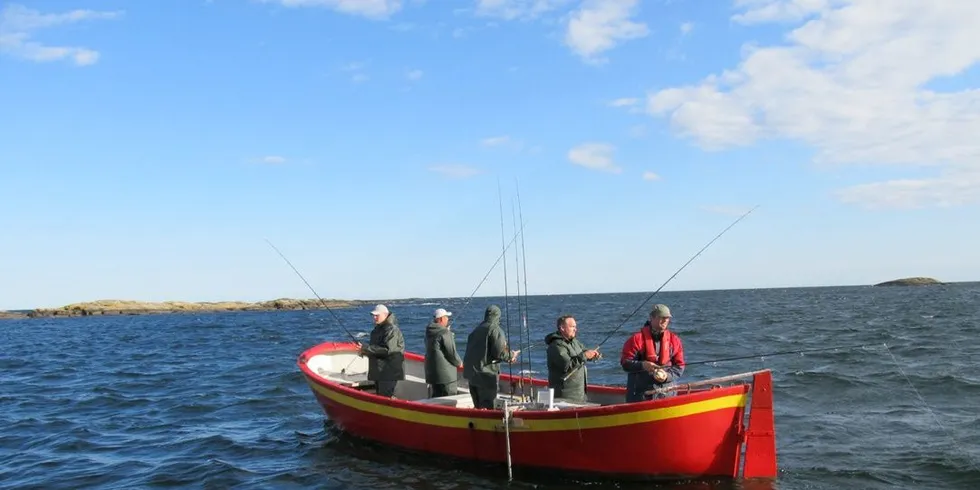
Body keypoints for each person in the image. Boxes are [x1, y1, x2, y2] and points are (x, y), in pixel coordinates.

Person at [620, 304, 685, 403]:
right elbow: (625, 364)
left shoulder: (674, 340)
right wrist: (642, 365)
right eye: (661, 317)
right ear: (651, 318)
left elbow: (679, 366)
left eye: (667, 318)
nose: (665, 321)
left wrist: (667, 376)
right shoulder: (636, 339)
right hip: (641, 396)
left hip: (668, 394)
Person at [462, 304, 520, 409]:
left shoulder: (476, 330)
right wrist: (511, 355)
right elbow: (500, 353)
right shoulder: (495, 330)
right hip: (486, 376)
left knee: (478, 407)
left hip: (472, 375)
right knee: (487, 407)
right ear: (498, 316)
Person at [545, 315, 601, 403]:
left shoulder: (574, 342)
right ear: (562, 328)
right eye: (572, 327)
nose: (575, 329)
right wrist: (585, 356)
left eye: (575, 326)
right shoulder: (556, 346)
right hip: (565, 397)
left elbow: (583, 352)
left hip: (580, 395)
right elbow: (566, 365)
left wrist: (593, 355)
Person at [357, 304, 405, 398]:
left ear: (385, 315)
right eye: (373, 315)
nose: (374, 317)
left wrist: (366, 348)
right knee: (381, 397)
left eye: (377, 315)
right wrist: (364, 351)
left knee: (385, 398)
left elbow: (388, 350)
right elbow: (376, 349)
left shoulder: (391, 330)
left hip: (388, 372)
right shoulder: (378, 330)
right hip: (379, 371)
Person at [424, 307, 463, 397]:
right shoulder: (445, 333)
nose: (448, 319)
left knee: (437, 399)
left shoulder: (429, 332)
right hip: (446, 376)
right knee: (449, 400)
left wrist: (447, 332)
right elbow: (451, 353)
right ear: (441, 319)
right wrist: (459, 363)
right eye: (446, 317)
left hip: (433, 375)